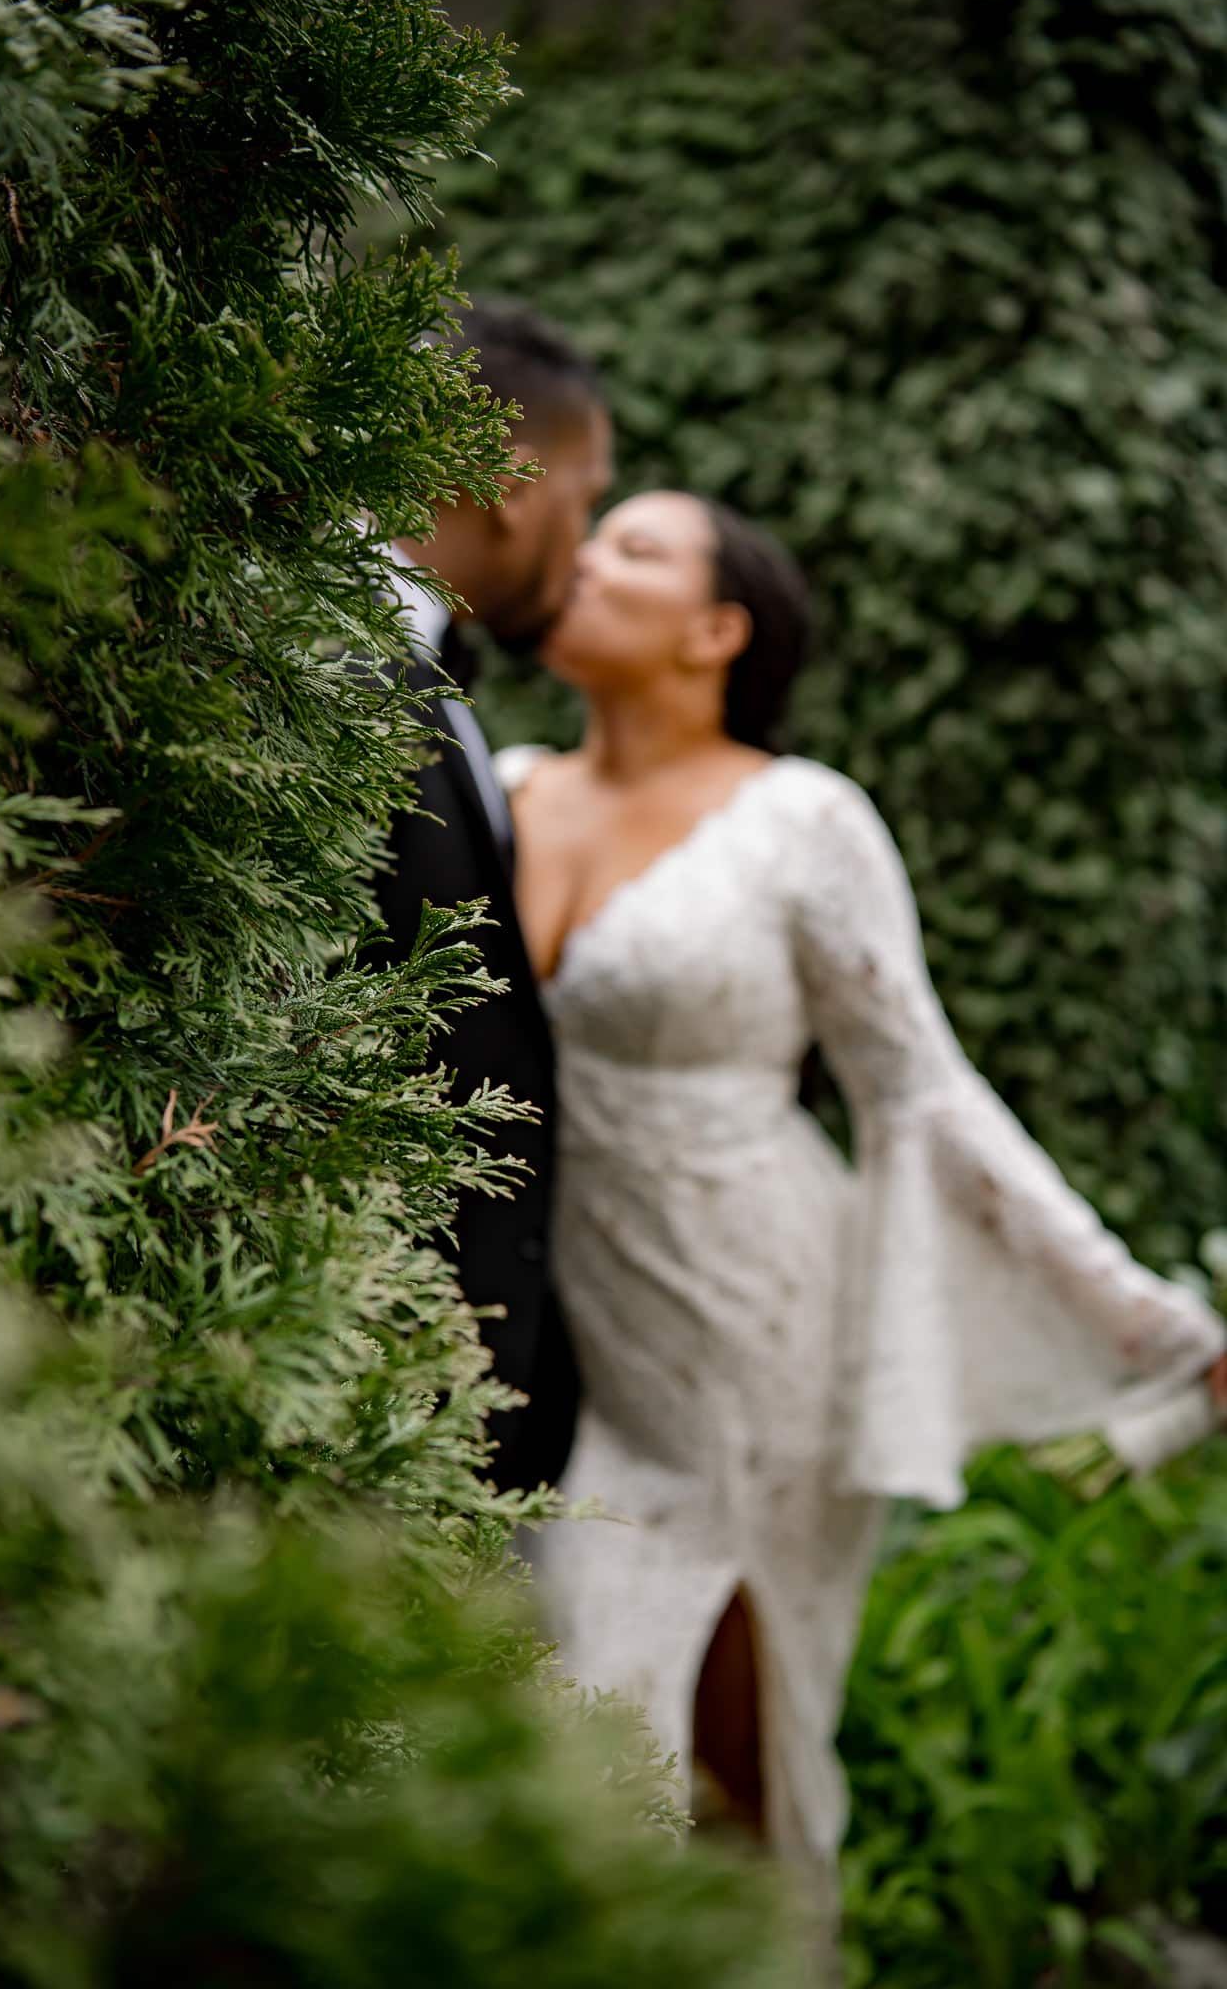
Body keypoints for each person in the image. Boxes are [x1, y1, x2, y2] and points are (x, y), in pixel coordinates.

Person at [496, 488, 1227, 1964]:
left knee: (732, 1751)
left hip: (761, 1336)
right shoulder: (495, 785)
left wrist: (1148, 1320)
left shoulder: (802, 821)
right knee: (588, 1714)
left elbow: (922, 1094)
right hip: (579, 1344)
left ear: (717, 631)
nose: (584, 557)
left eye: (636, 547)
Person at [371, 300, 613, 1496]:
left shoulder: (429, 677)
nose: (585, 544)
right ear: (514, 482)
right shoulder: (328, 670)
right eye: (586, 496)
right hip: (362, 1364)